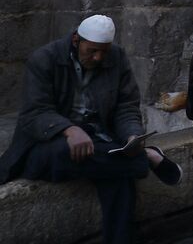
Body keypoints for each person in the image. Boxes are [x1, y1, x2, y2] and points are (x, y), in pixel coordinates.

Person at [1, 15, 182, 244]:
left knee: (118, 176)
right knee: (64, 154)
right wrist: (68, 130)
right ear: (76, 40)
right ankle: (145, 159)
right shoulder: (44, 59)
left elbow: (125, 107)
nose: (98, 58)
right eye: (92, 51)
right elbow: (34, 113)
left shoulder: (116, 58)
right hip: (48, 143)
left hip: (97, 142)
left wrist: (132, 136)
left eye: (104, 52)